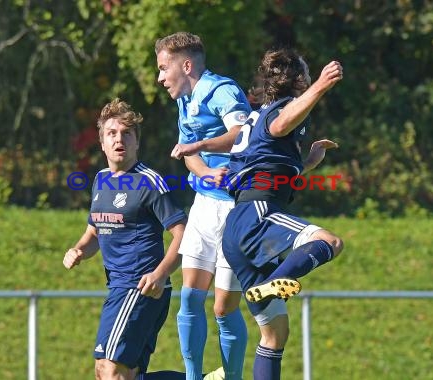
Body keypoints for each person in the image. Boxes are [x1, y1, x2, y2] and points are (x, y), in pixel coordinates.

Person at [221, 48, 345, 380]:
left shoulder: (255, 116)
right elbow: (281, 124)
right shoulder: (277, 111)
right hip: (258, 212)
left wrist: (306, 164)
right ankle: (276, 282)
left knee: (274, 335)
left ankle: (271, 285)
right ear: (300, 79)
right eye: (306, 73)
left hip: (238, 227)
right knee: (329, 241)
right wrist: (320, 86)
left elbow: (259, 163)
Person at [63, 98, 192, 380]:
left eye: (126, 134)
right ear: (102, 143)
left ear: (136, 143)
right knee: (123, 374)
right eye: (112, 133)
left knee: (109, 371)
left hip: (141, 287)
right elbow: (95, 231)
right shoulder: (100, 180)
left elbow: (184, 233)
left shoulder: (149, 182)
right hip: (119, 289)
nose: (119, 139)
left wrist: (160, 274)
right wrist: (78, 250)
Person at [155, 32, 250, 380]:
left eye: (164, 68)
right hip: (203, 208)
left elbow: (242, 135)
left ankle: (233, 377)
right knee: (190, 299)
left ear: (187, 65)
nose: (160, 77)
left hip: (236, 211)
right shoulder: (184, 100)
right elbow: (187, 151)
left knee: (224, 309)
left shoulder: (221, 90)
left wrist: (201, 147)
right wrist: (206, 170)